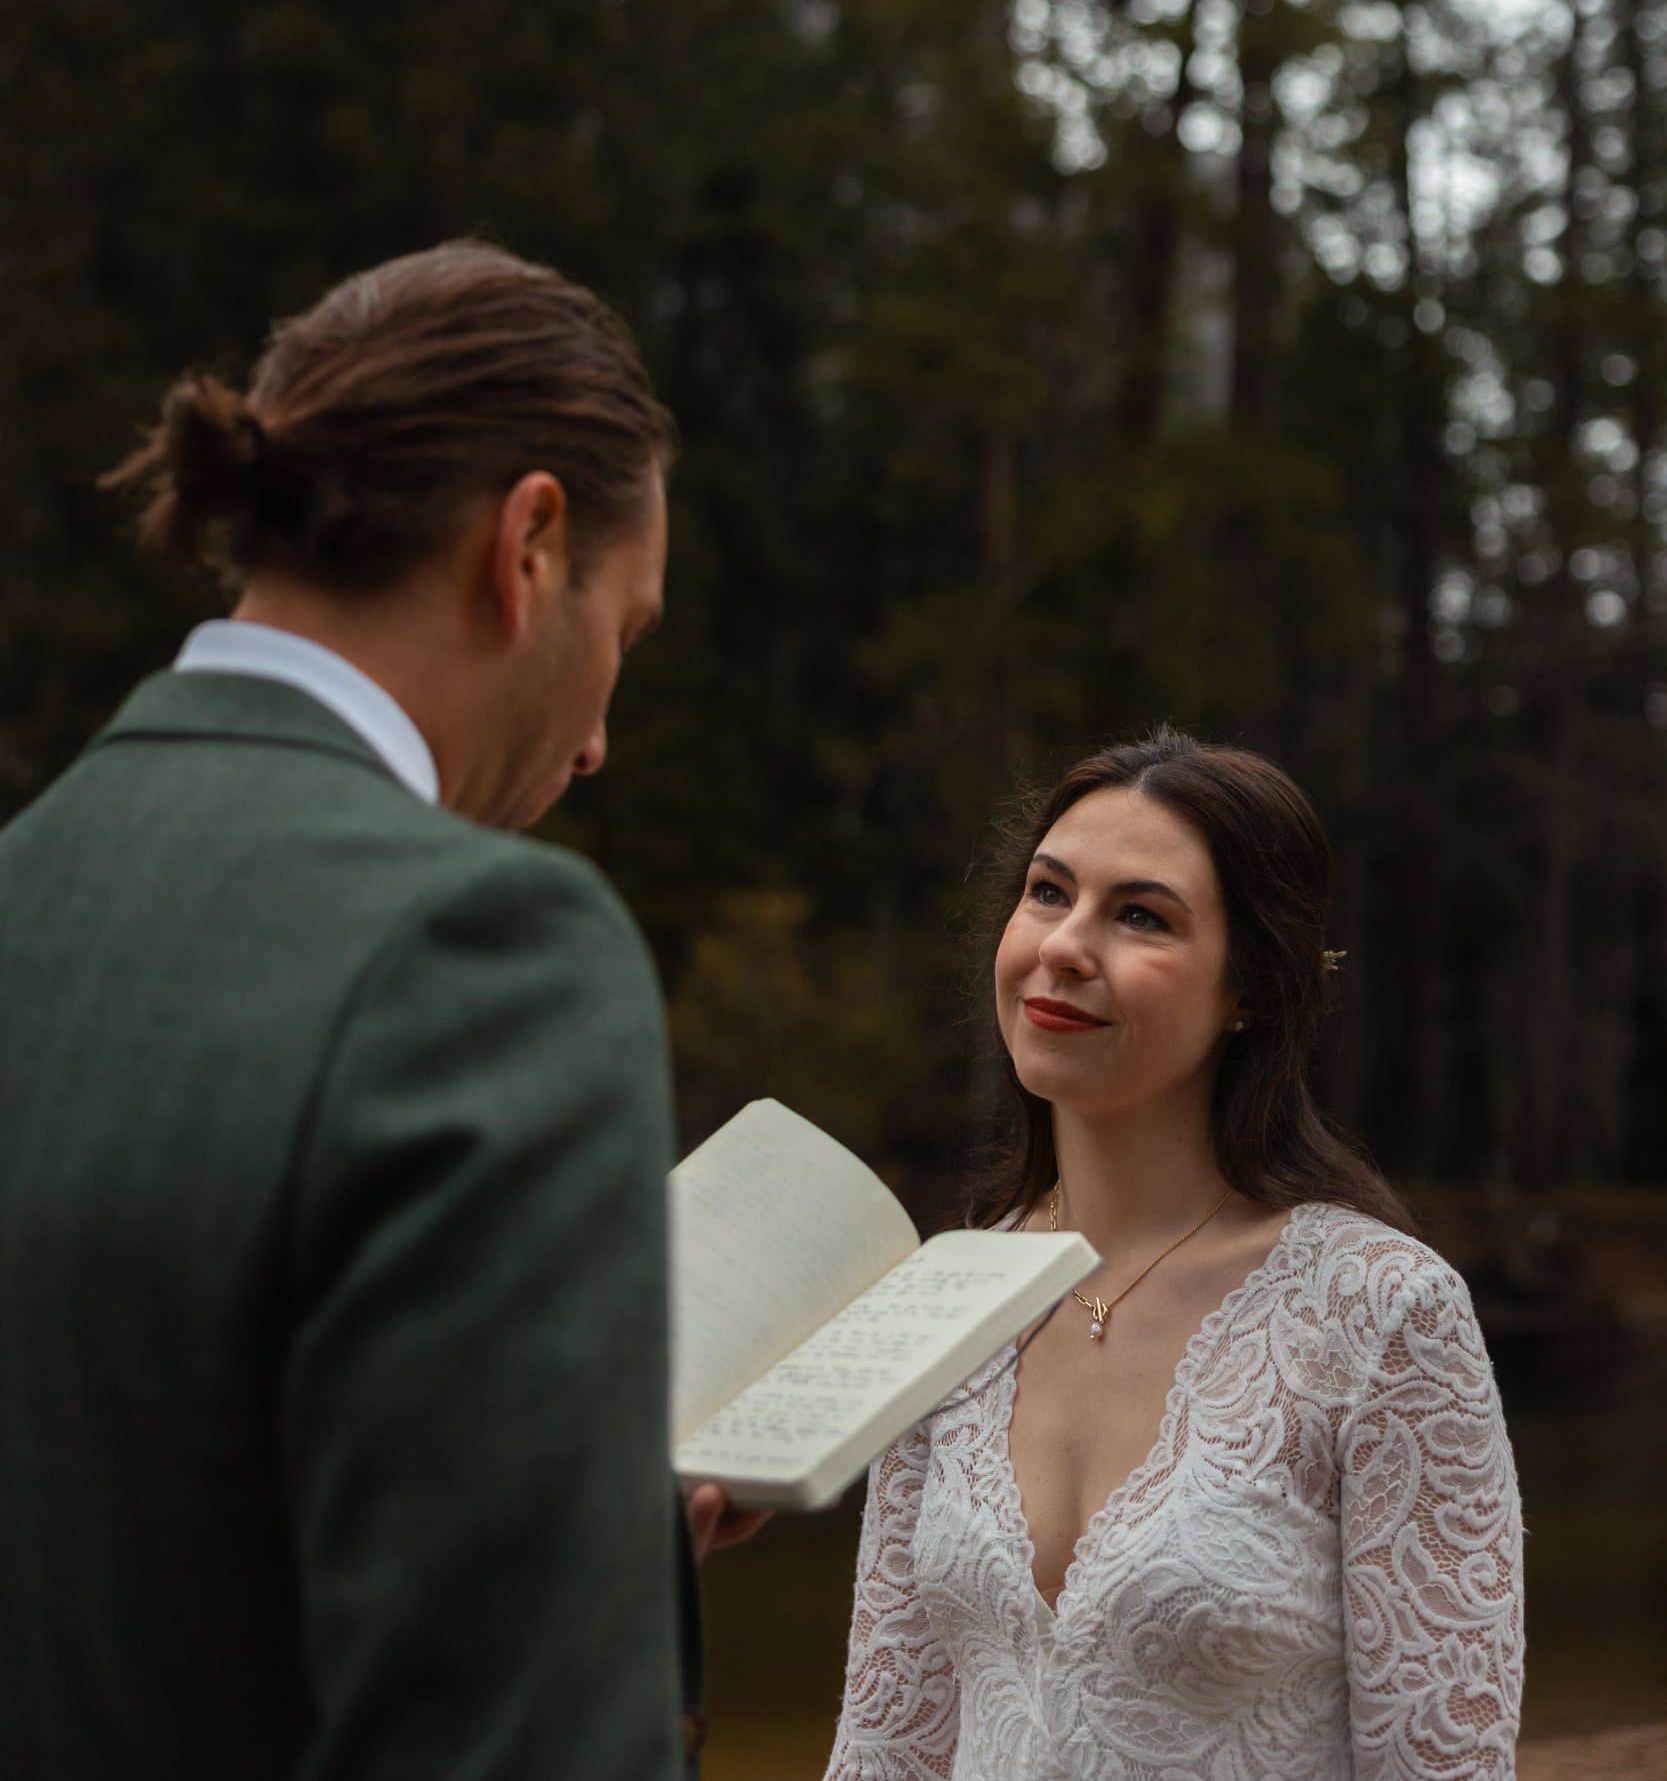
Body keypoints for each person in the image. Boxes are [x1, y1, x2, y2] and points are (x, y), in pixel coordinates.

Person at [0, 240, 750, 1781]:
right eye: (629, 631)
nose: (600, 738)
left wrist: (574, 1515)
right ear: (529, 543)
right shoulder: (479, 951)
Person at [827, 730, 1523, 1781]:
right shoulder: (941, 1297)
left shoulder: (1380, 1312)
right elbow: (883, 1748)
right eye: (1047, 892)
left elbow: (1444, 1768)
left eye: (1139, 915)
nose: (1064, 944)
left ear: (1249, 986)